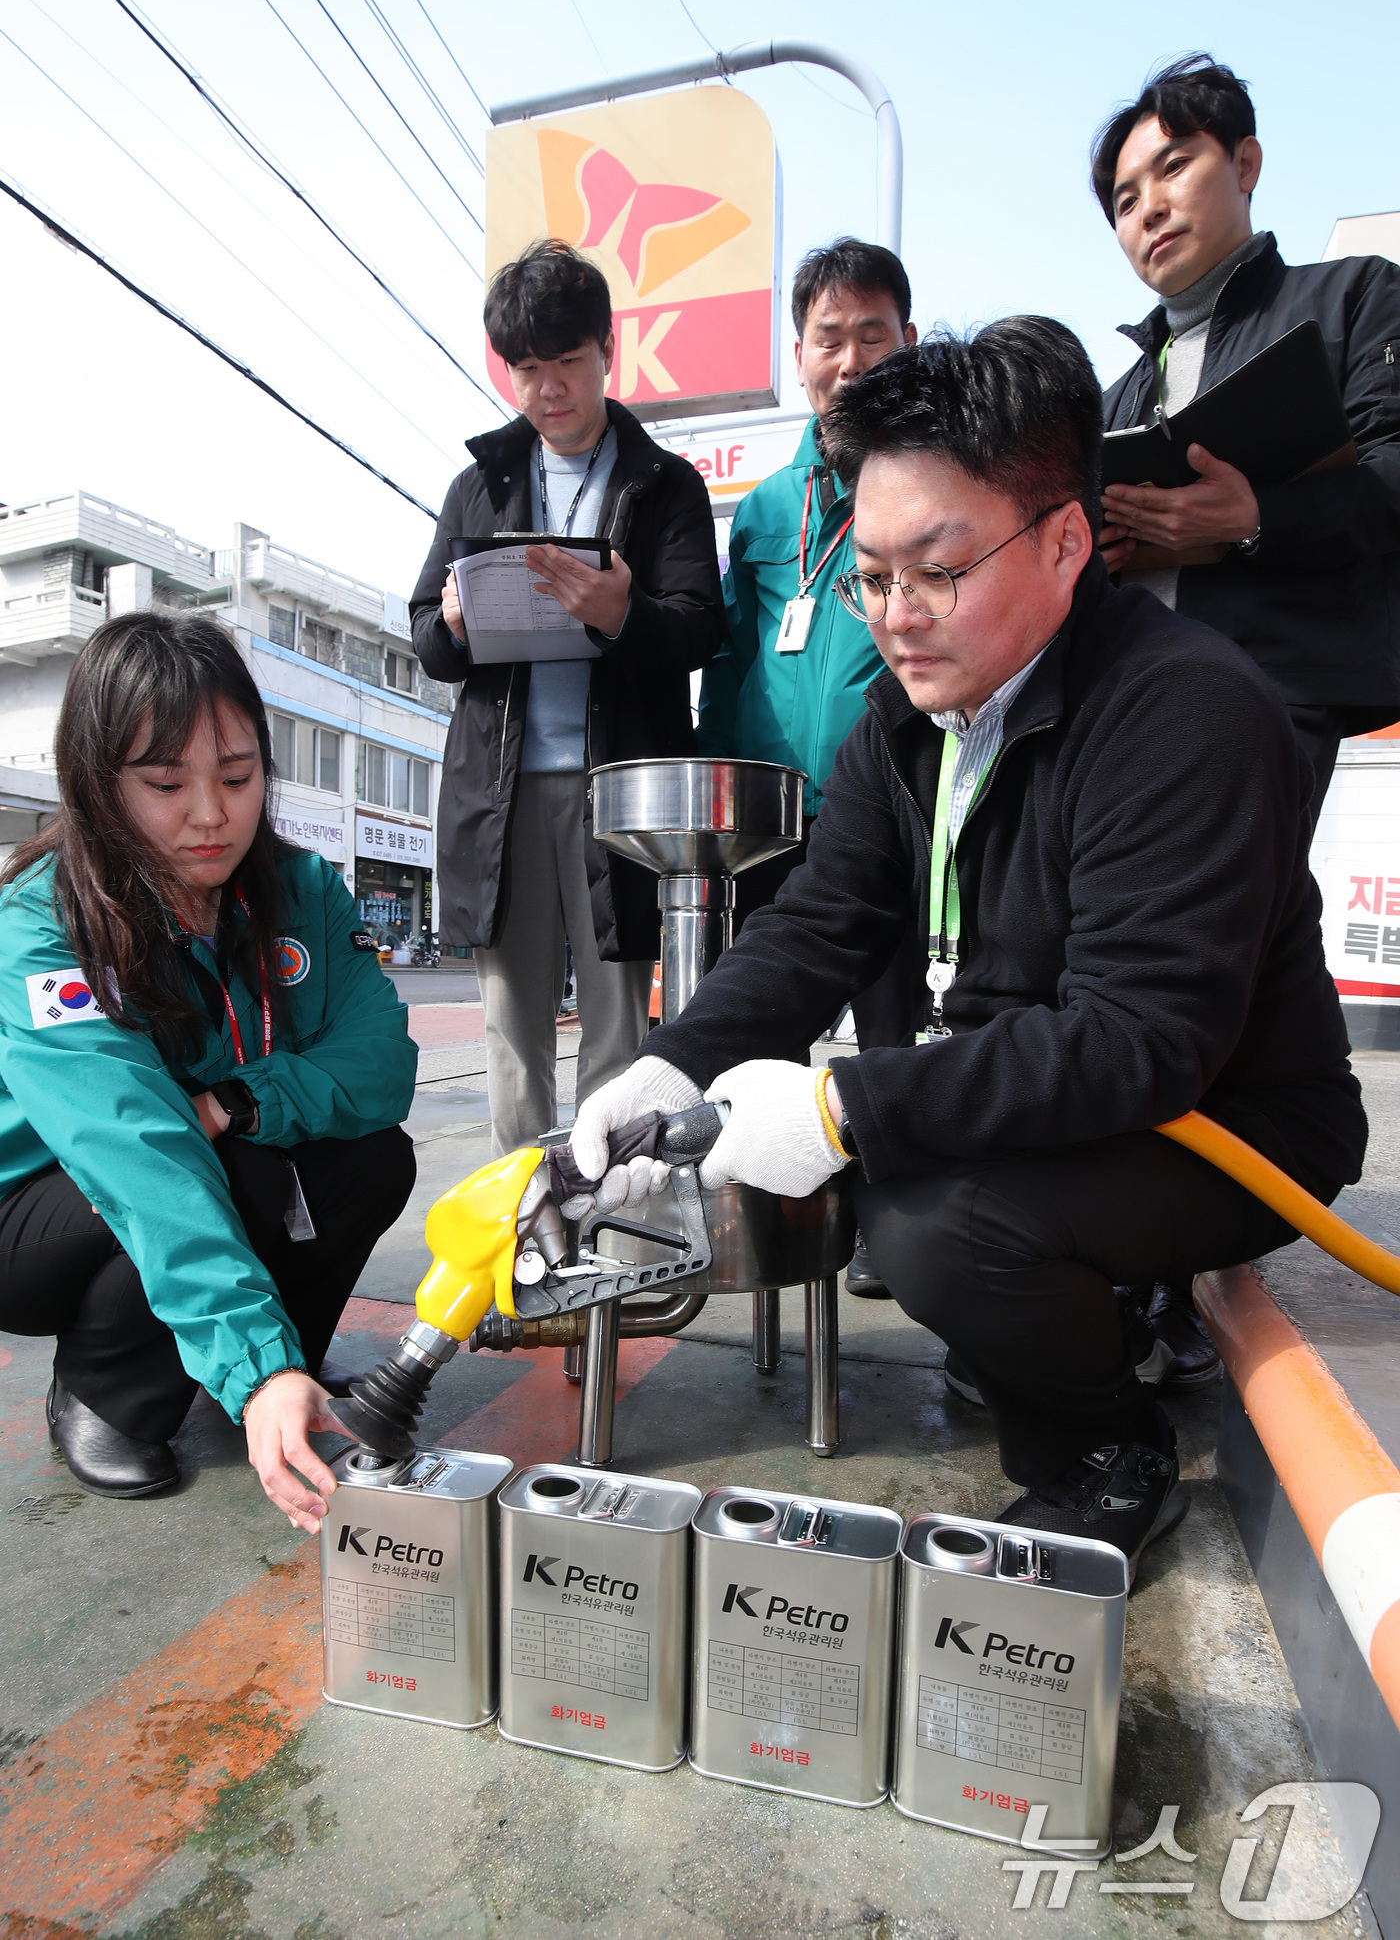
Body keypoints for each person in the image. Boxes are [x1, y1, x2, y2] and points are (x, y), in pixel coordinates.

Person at [567, 320, 1366, 1579]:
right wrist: (670, 1064)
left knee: (931, 1221)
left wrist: (841, 1102)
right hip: (1071, 1089)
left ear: (1063, 540)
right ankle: (1086, 1309)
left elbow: (1142, 1042)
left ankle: (1108, 1447)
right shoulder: (904, 722)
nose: (896, 617)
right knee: (920, 1185)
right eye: (869, 576)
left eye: (935, 571)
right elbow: (822, 920)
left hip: (1231, 1120)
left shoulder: (1185, 710)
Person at [0, 613, 417, 1519]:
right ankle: (109, 1393)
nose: (210, 813)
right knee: (204, 1170)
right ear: (97, 786)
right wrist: (252, 1360)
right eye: (164, 782)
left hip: (210, 1139)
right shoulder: (43, 923)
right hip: (36, 1205)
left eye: (237, 776)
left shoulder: (302, 887)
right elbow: (133, 1147)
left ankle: (282, 1371)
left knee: (374, 1156)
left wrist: (238, 1097)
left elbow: (379, 1065)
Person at [410, 239, 723, 1157]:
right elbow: (427, 631)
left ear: (608, 350)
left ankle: (613, 1255)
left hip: (620, 794)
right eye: (529, 368)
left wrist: (623, 612)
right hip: (501, 798)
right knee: (511, 1033)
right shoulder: (479, 485)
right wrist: (458, 622)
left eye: (569, 362)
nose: (550, 388)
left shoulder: (665, 485)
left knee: (621, 1033)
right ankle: (523, 1252)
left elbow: (700, 625)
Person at [1095, 54, 1400, 825]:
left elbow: (1392, 478)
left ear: (1245, 162)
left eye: (1173, 167)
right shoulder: (1112, 398)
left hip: (1270, 685)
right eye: (1125, 202)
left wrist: (1254, 517)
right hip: (1118, 696)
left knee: (1209, 922)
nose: (1149, 209)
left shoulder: (1356, 298)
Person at [697, 238, 917, 1299]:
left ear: (904, 343)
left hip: (880, 807)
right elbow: (735, 655)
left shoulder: (921, 482)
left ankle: (880, 1213)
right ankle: (755, 1211)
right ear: (798, 354)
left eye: (870, 334)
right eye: (828, 337)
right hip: (765, 812)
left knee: (885, 1017)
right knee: (766, 1019)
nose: (849, 357)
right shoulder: (766, 510)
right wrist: (716, 785)